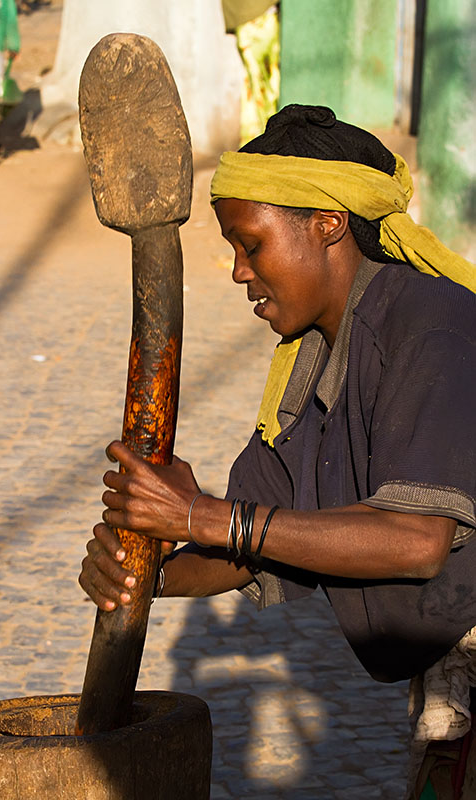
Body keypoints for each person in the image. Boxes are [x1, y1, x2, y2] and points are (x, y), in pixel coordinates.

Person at [79, 105, 476, 799]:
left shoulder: (431, 324)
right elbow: (250, 545)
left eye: (251, 245)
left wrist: (200, 515)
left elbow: (415, 540)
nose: (238, 272)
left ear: (328, 224)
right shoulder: (308, 359)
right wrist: (147, 571)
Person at [222, 0, 280, 145]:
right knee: (265, 86)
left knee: (256, 87)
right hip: (258, 18)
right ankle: (269, 141)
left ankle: (260, 143)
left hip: (252, 19)